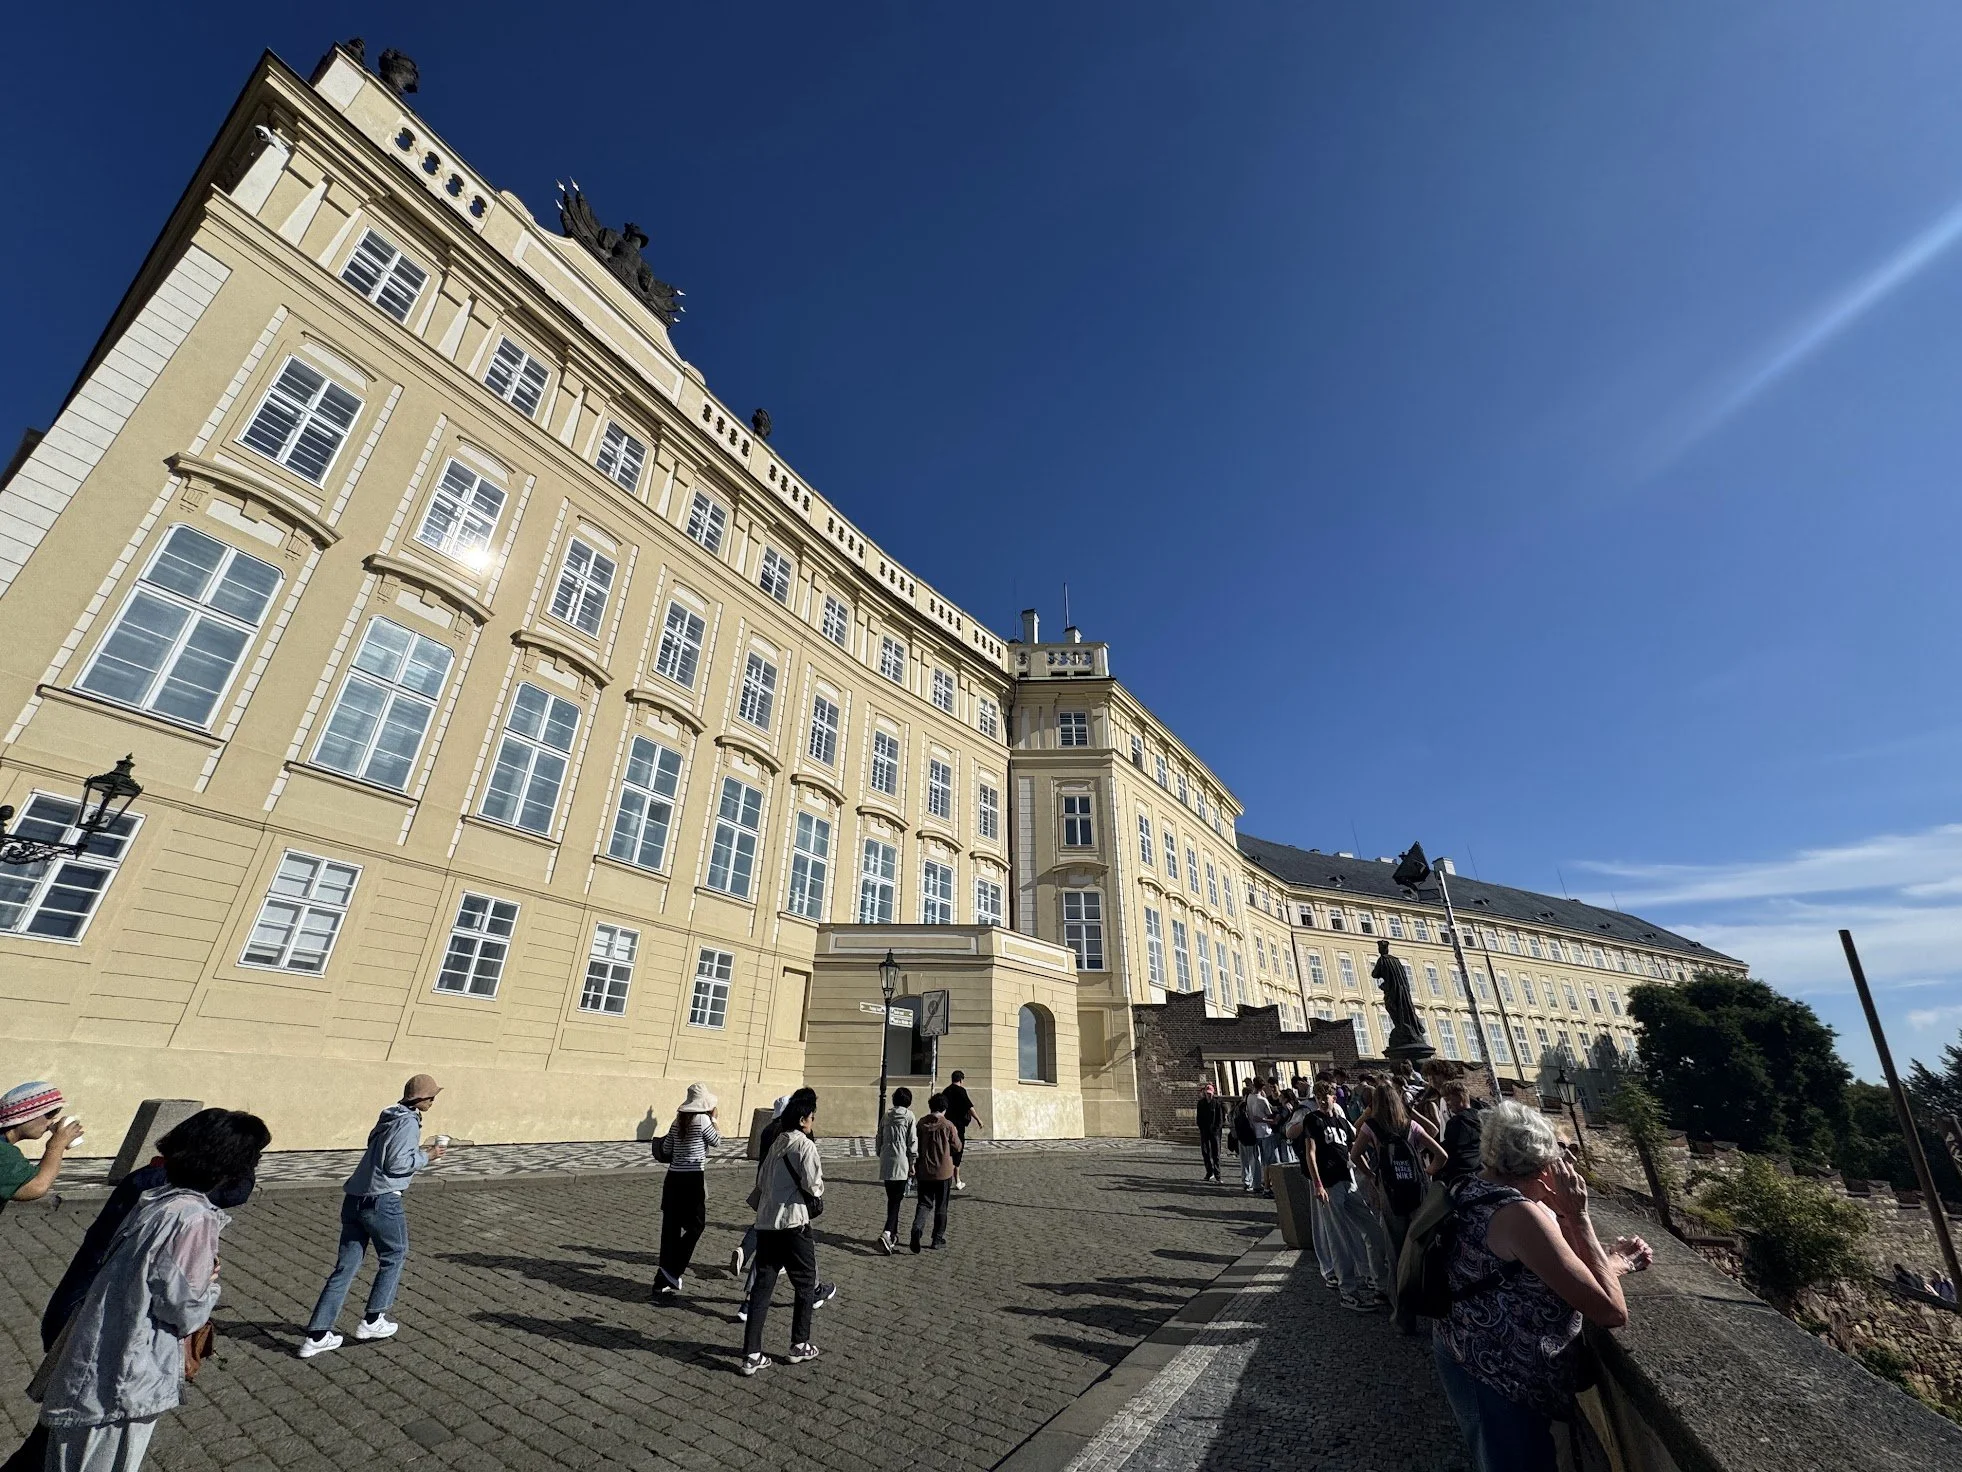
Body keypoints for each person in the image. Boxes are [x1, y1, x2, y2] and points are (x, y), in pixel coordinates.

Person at [33, 1108, 269, 1472]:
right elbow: (184, 1308)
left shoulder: (156, 1198)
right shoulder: (194, 1217)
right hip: (127, 1372)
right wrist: (209, 1286)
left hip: (96, 1356)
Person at [1434, 1101, 1654, 1472]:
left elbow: (1555, 1271)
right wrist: (1580, 1216)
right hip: (1497, 1380)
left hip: (1467, 1354)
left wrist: (1610, 1261)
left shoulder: (1472, 1187)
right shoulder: (1519, 1215)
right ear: (1543, 1168)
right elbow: (1610, 1311)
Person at [298, 1074, 447, 1358]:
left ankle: (317, 1334)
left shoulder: (388, 1117)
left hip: (355, 1196)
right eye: (431, 1098)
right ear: (420, 1100)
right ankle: (373, 1319)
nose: (433, 1102)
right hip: (383, 1199)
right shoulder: (407, 1122)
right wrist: (427, 1156)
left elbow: (380, 1152)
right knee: (395, 1254)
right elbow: (397, 1163)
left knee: (345, 1267)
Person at [740, 1088, 836, 1375]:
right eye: (812, 1117)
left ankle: (752, 1354)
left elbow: (761, 1180)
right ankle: (799, 1344)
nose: (813, 1122)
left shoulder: (777, 1142)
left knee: (762, 1288)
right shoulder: (805, 1146)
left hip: (767, 1224)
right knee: (806, 1284)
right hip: (794, 1223)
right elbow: (814, 1185)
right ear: (805, 1119)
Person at [1353, 1076, 1448, 1329]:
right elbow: (1441, 1151)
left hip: (1390, 1194)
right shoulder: (1410, 1125)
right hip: (1418, 1193)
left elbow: (1354, 1155)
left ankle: (1403, 1316)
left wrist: (1373, 1175)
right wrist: (1427, 1173)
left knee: (1396, 1254)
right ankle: (1430, 1306)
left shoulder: (1371, 1126)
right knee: (1420, 1249)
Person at [653, 1083, 721, 1299]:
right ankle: (673, 1269)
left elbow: (666, 1150)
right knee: (697, 1225)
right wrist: (715, 1120)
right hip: (692, 1178)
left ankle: (661, 1278)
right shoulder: (702, 1120)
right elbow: (717, 1141)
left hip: (673, 1178)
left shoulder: (677, 1121)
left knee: (670, 1230)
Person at [732, 1094, 792, 1283]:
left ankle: (744, 1250)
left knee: (763, 1221)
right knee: (783, 1225)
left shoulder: (767, 1130)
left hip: (763, 1180)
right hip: (782, 1186)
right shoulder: (788, 1132)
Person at [0, 1081, 84, 1207]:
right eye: (49, 1114)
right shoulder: (3, 1152)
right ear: (25, 1114)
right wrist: (57, 1145)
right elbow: (36, 1186)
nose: (51, 1122)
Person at [911, 1093, 959, 1250]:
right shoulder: (948, 1125)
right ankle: (937, 1238)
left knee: (924, 1203)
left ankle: (917, 1228)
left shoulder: (921, 1124)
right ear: (944, 1108)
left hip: (924, 1170)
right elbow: (957, 1146)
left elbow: (914, 1144)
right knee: (941, 1206)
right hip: (943, 1172)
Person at [876, 1087, 919, 1253]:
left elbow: (879, 1136)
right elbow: (912, 1141)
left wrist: (880, 1152)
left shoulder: (886, 1115)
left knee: (891, 1199)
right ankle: (887, 1232)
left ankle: (892, 1234)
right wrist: (913, 1162)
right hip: (901, 1161)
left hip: (887, 1160)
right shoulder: (909, 1116)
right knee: (896, 1200)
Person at [943, 1070, 984, 1191]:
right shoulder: (961, 1091)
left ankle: (947, 1178)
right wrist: (978, 1119)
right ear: (961, 1080)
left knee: (948, 1151)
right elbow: (969, 1107)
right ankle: (958, 1180)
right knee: (958, 1151)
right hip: (959, 1126)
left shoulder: (946, 1091)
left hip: (947, 1125)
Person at [1232, 1081, 1261, 1193]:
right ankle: (1253, 1182)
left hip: (1241, 1136)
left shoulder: (1238, 1105)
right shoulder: (1248, 1105)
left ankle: (1246, 1180)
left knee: (1244, 1160)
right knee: (1252, 1159)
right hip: (1249, 1135)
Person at [1195, 1081, 1225, 1183]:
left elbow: (1220, 1119)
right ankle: (1209, 1172)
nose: (1208, 1095)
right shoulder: (1201, 1103)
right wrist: (1201, 1127)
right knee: (1205, 1152)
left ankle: (1218, 1174)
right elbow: (1199, 1117)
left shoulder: (1217, 1104)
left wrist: (1216, 1129)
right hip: (1204, 1131)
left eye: (1209, 1093)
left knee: (1216, 1153)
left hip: (1214, 1132)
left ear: (1212, 1093)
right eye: (1206, 1093)